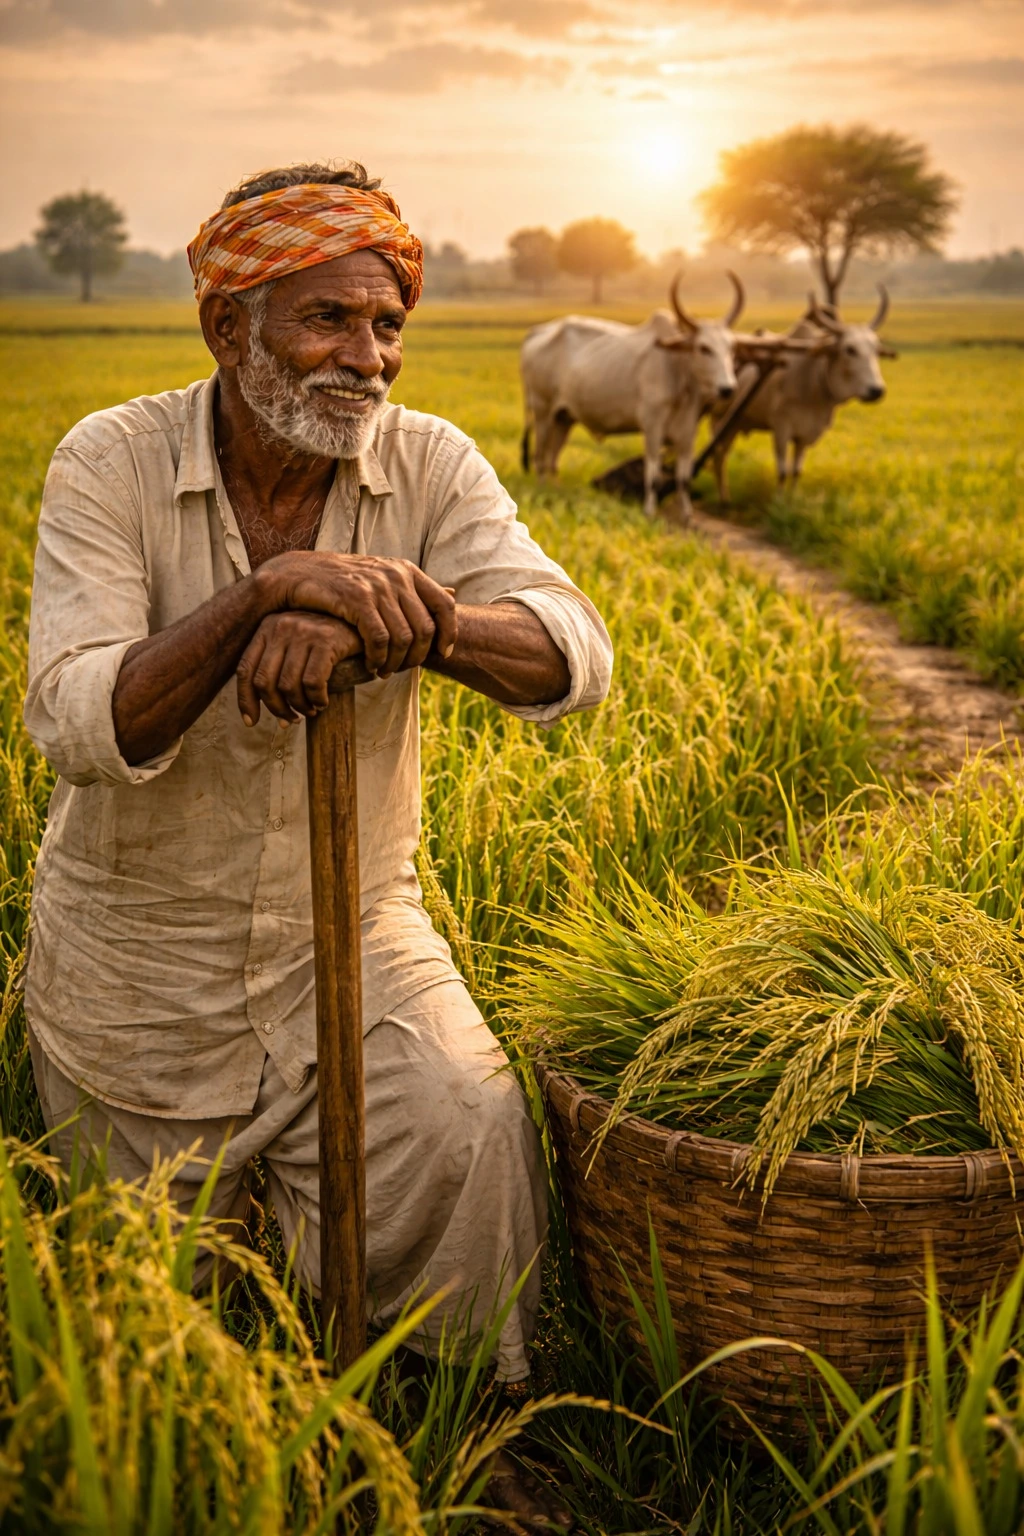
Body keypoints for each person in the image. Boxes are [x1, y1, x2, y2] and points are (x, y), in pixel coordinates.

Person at [23, 161, 611, 1526]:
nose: (369, 356)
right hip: (137, 943)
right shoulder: (109, 458)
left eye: (388, 324)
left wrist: (395, 617)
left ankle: (473, 1435)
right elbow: (73, 718)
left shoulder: (431, 464)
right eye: (327, 321)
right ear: (229, 326)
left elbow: (573, 653)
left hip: (355, 925)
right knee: (155, 1321)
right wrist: (262, 596)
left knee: (465, 1131)